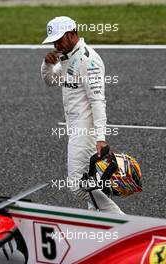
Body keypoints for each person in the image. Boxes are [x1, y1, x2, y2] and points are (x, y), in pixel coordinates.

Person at [41, 16, 124, 214]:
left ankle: (123, 222)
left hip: (85, 132)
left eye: (59, 39)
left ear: (71, 34)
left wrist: (101, 138)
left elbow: (98, 101)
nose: (56, 45)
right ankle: (99, 225)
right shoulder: (68, 57)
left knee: (78, 185)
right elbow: (51, 81)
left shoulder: (88, 59)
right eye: (53, 40)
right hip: (75, 128)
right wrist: (47, 64)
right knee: (89, 181)